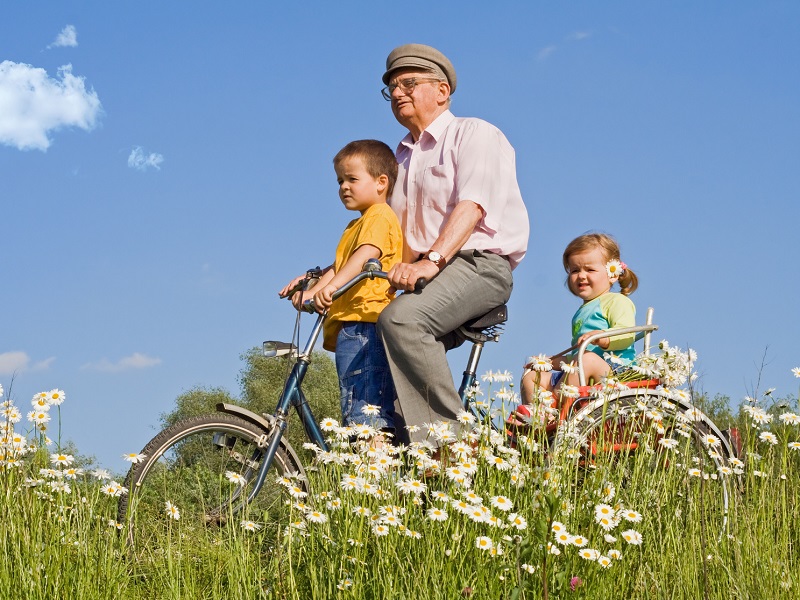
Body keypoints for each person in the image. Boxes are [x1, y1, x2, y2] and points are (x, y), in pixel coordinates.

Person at [376, 43, 529, 445]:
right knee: (372, 341)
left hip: (478, 265)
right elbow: (387, 232)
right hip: (429, 273)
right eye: (391, 87)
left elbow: (473, 205)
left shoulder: (474, 133)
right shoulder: (400, 158)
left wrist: (432, 260)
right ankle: (400, 463)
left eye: (409, 83)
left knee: (402, 321)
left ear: (442, 91)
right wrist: (329, 278)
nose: (397, 93)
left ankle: (453, 447)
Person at [279, 140, 402, 435]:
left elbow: (364, 255)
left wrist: (330, 287)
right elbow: (339, 264)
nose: (344, 187)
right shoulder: (354, 225)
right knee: (353, 407)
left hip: (365, 324)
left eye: (352, 179)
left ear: (381, 182)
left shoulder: (380, 216)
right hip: (351, 326)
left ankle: (374, 469)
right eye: (340, 181)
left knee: (365, 410)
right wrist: (312, 288)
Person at [520, 232, 639, 404]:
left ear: (612, 274)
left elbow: (627, 334)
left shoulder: (617, 301)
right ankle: (537, 418)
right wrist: (549, 362)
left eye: (590, 269)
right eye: (575, 270)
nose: (581, 275)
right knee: (532, 376)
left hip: (615, 372)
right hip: (582, 369)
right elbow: (577, 357)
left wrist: (603, 337)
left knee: (588, 358)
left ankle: (557, 408)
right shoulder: (582, 311)